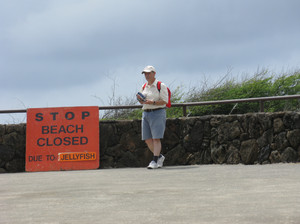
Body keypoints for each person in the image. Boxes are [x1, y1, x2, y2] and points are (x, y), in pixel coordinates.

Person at [137, 65, 168, 169]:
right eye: (145, 73)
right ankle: (159, 157)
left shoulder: (160, 85)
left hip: (157, 112)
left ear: (154, 73)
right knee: (147, 139)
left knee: (156, 138)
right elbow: (142, 100)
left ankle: (154, 160)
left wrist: (153, 102)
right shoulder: (144, 86)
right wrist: (141, 100)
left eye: (148, 73)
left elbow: (165, 101)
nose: (147, 75)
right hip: (146, 112)